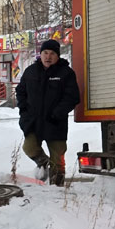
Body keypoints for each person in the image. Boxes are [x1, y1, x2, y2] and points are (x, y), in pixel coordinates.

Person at [16, 39, 80, 186]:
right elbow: (20, 92)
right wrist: (24, 111)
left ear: (57, 56)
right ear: (41, 54)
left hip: (55, 122)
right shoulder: (30, 71)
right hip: (34, 121)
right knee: (29, 147)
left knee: (58, 158)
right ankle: (44, 163)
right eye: (45, 53)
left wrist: (57, 114)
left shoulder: (66, 73)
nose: (48, 56)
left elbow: (72, 97)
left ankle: (56, 188)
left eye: (52, 53)